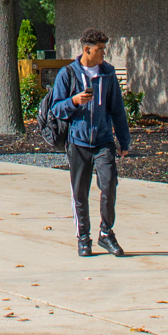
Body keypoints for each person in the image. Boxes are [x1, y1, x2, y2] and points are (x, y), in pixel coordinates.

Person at [47, 29, 131, 256]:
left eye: (104, 48)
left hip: (104, 141)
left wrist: (124, 140)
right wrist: (74, 101)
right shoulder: (68, 74)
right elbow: (56, 109)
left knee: (109, 185)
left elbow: (117, 109)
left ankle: (106, 233)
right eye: (100, 49)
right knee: (80, 193)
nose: (104, 53)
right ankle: (83, 237)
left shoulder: (108, 73)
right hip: (78, 142)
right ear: (87, 49)